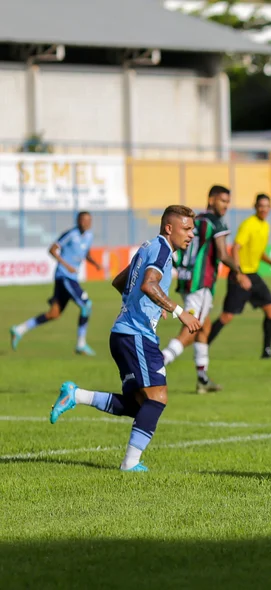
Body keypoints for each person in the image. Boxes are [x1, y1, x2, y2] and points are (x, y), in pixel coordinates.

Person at [48, 206, 202, 472]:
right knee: (157, 399)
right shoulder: (163, 249)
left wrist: (149, 306)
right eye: (187, 228)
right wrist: (177, 311)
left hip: (125, 334)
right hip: (135, 335)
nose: (191, 234)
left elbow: (121, 281)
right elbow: (148, 284)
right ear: (169, 228)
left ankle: (76, 395)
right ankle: (130, 464)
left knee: (138, 404)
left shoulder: (149, 246)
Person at [161, 185, 246, 393]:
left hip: (186, 279)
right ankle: (158, 364)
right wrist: (240, 272)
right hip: (202, 284)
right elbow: (223, 254)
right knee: (192, 327)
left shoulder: (195, 220)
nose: (226, 205)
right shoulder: (216, 222)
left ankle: (202, 378)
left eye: (228, 202)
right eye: (222, 201)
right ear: (211, 199)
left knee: (204, 327)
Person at [10, 212, 103, 355]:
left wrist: (95, 263)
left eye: (88, 220)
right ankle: (81, 344)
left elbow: (86, 254)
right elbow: (52, 249)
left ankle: (19, 329)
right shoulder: (71, 234)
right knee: (86, 305)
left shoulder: (89, 236)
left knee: (53, 314)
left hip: (71, 277)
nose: (86, 222)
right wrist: (66, 265)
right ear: (78, 221)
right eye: (83, 220)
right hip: (64, 276)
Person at [207, 193, 271, 359]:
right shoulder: (248, 225)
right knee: (227, 317)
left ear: (270, 208)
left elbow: (258, 252)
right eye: (261, 206)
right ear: (255, 207)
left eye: (267, 206)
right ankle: (203, 347)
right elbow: (235, 248)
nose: (264, 209)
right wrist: (238, 273)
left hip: (253, 275)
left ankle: (266, 351)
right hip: (240, 275)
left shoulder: (265, 226)